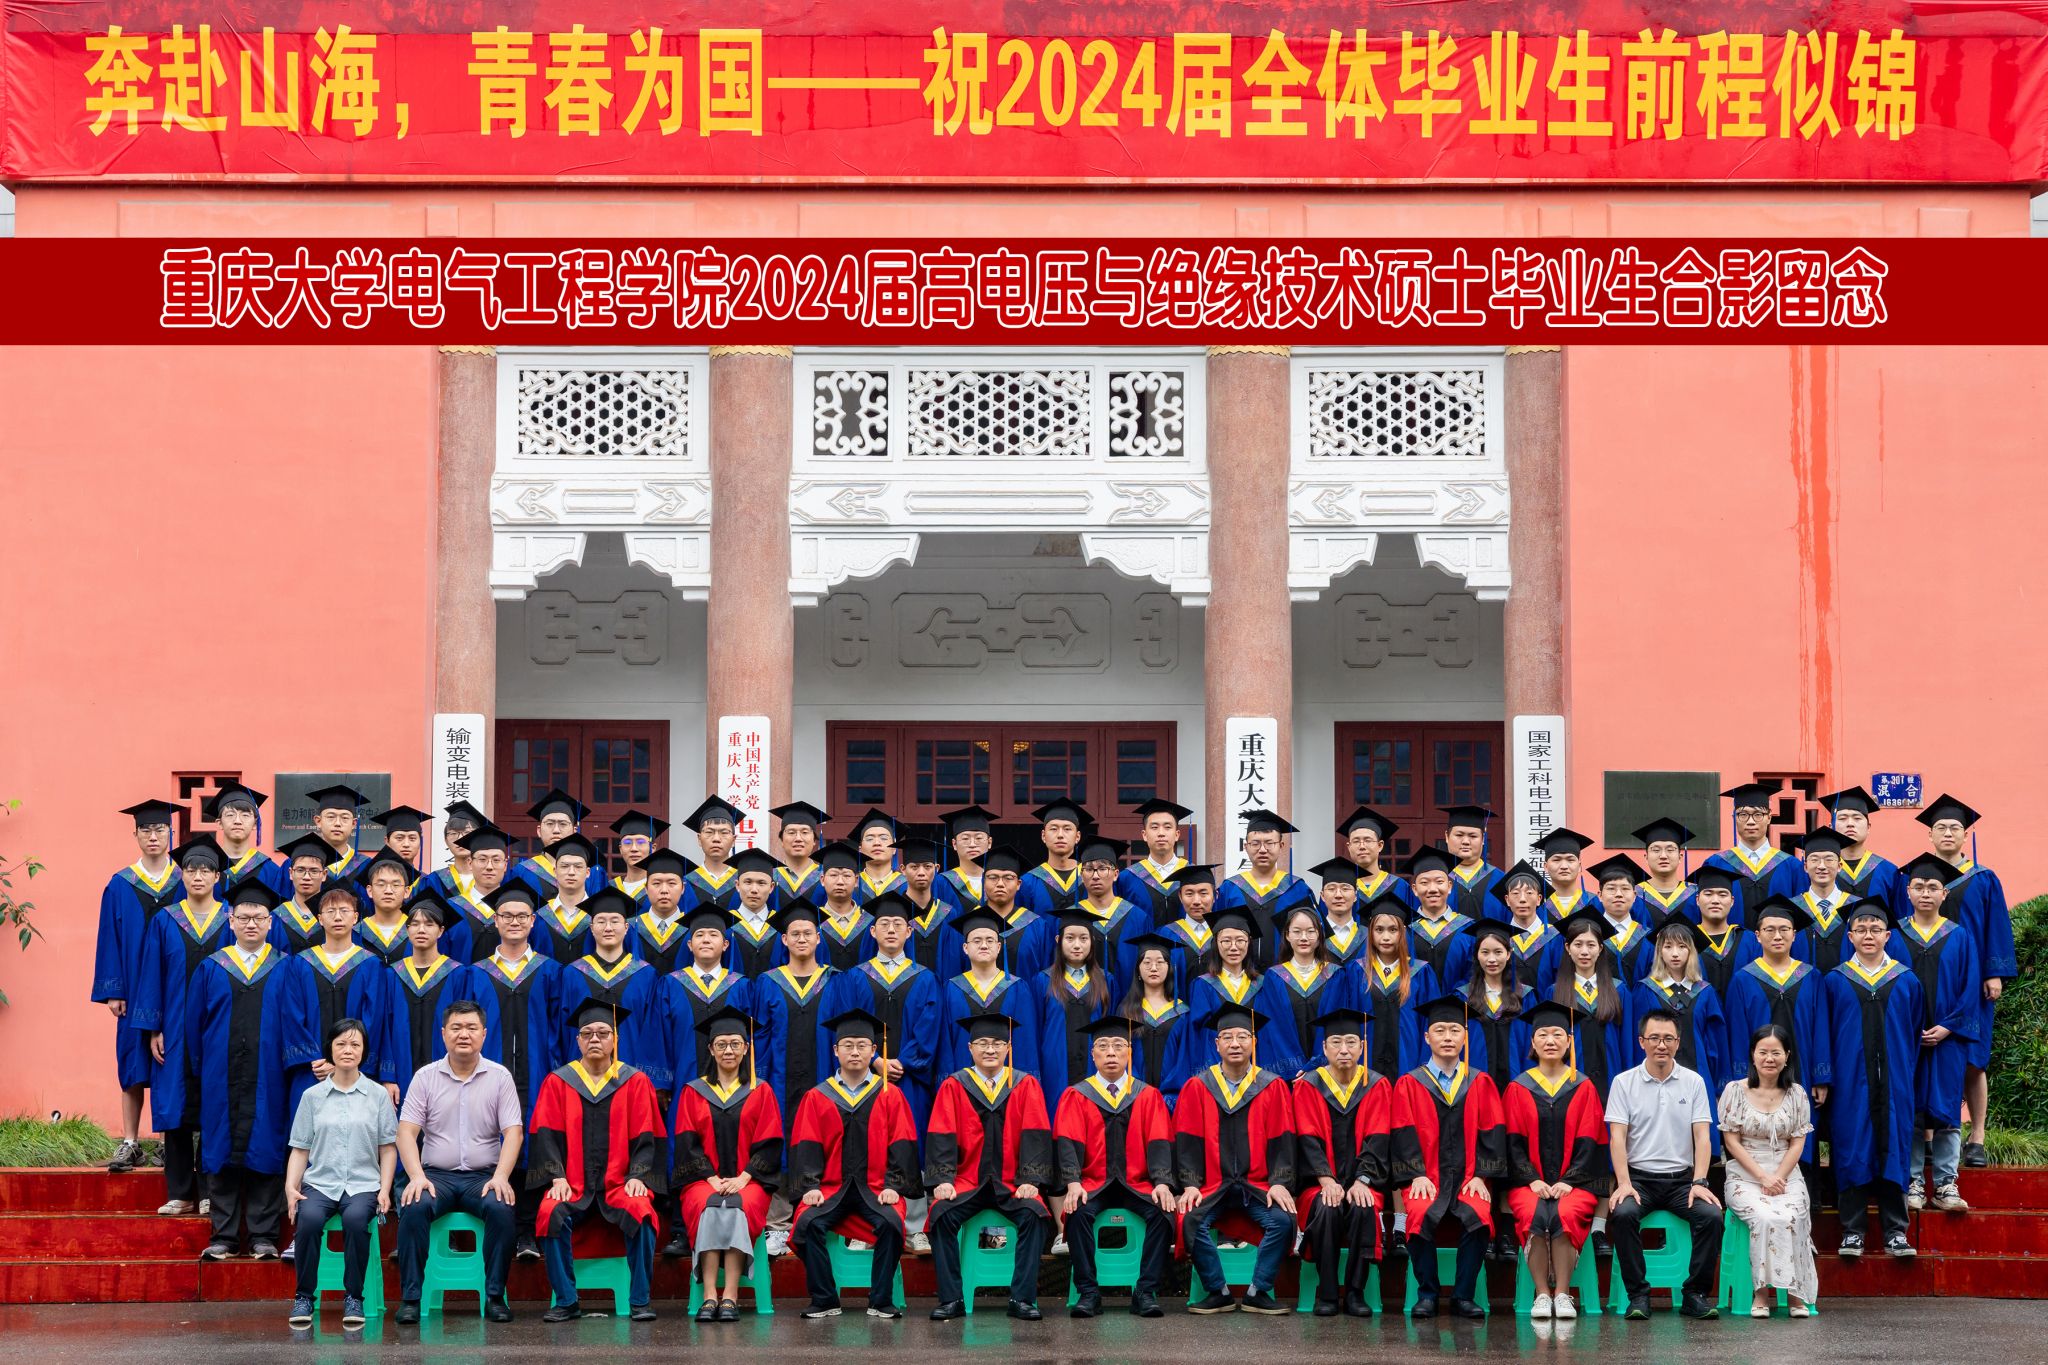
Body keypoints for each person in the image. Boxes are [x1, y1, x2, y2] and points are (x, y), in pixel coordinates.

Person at [530, 998, 668, 1323]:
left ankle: (640, 1301)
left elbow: (649, 1135)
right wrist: (556, 1176)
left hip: (619, 1185)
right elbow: (545, 1134)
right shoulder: (558, 1082)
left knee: (642, 1211)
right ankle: (566, 1301)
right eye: (587, 1033)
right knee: (549, 1211)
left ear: (615, 1039)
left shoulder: (635, 1082)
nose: (595, 1039)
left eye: (603, 1033)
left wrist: (638, 1176)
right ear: (577, 1040)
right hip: (573, 1185)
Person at [393, 999, 526, 1322]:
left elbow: (514, 1133)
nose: (463, 1034)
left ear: (484, 1034)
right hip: (435, 1176)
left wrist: (501, 1177)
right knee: (414, 1206)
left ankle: (494, 1296)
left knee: (501, 1208)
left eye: (471, 1028)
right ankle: (411, 1299)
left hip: (483, 1177)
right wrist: (416, 1176)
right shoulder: (425, 1077)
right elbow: (406, 1132)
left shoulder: (499, 1077)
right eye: (456, 1028)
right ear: (443, 1033)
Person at [789, 1007, 922, 1320]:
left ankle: (881, 1300)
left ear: (874, 1051)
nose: (854, 1052)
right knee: (806, 1225)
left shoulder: (890, 1095)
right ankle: (824, 1298)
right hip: (830, 1189)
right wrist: (810, 1186)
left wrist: (893, 1185)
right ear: (835, 1051)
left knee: (891, 1223)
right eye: (847, 1045)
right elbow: (806, 1144)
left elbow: (902, 1143)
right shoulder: (818, 1096)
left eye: (862, 1045)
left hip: (876, 1188)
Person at [189, 878, 295, 1260]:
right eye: (244, 917)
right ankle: (224, 1237)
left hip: (269, 1075)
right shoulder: (211, 967)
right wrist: (203, 1070)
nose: (252, 924)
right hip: (221, 1075)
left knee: (266, 1146)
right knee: (220, 1147)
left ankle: (264, 1236)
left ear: (270, 923)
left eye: (259, 918)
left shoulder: (285, 967)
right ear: (230, 921)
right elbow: (194, 1025)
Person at [925, 1013, 1055, 1322]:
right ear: (970, 1048)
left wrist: (1031, 1180)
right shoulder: (954, 1086)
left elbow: (1036, 1134)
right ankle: (952, 1299)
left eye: (997, 1043)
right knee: (940, 1215)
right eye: (982, 1043)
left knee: (1035, 1215)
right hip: (967, 1183)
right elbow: (942, 1134)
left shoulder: (1025, 1084)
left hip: (1011, 1184)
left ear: (1008, 1047)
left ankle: (1022, 1299)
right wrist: (943, 1179)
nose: (990, 1049)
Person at [1389, 994, 1508, 1319]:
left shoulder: (1480, 1082)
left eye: (1454, 1031)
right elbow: (1402, 1132)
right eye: (1439, 1031)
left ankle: (1463, 1296)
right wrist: (1416, 1174)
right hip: (1426, 1177)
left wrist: (1481, 1176)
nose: (1447, 1037)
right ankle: (1427, 1294)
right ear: (1427, 1037)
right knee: (1417, 1213)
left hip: (1469, 1177)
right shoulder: (1409, 1084)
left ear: (1465, 1037)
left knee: (1479, 1214)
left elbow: (1492, 1131)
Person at [130, 840, 232, 1217]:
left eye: (205, 870)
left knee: (213, 1106)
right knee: (174, 1105)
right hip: (173, 1028)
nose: (198, 876)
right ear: (182, 876)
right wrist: (153, 1028)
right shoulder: (165, 920)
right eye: (191, 870)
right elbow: (151, 976)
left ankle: (209, 1191)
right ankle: (180, 1191)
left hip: (217, 1028)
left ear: (217, 877)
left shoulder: (231, 920)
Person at [1174, 1004, 1298, 1315]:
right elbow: (1187, 1141)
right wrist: (1190, 1184)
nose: (1235, 1043)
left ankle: (1258, 1291)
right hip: (1213, 1186)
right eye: (1227, 1037)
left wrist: (1279, 1182)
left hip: (1256, 1186)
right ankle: (1218, 1291)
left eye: (1243, 1036)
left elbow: (1282, 1139)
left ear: (1254, 1042)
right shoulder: (1197, 1086)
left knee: (1283, 1221)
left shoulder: (1271, 1086)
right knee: (1189, 1219)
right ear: (1216, 1044)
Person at [1914, 793, 2015, 1168]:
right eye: (1940, 827)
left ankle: (1977, 1139)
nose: (1947, 832)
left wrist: (1994, 972)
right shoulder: (1918, 878)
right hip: (1927, 980)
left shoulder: (1983, 878)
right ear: (1930, 835)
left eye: (1954, 827)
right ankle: (1927, 1138)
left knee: (1974, 1058)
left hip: (1972, 983)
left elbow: (1996, 926)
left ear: (1965, 834)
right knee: (1926, 1054)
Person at [1604, 1006, 1723, 1319]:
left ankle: (1695, 1294)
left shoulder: (1693, 1082)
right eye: (1654, 1038)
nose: (1661, 1044)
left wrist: (1700, 1181)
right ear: (1641, 1041)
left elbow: (1703, 1137)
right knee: (1623, 1214)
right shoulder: (1624, 1083)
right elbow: (1617, 1138)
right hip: (1639, 1180)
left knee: (1711, 1217)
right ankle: (1638, 1296)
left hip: (1682, 1181)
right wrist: (1624, 1183)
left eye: (1668, 1038)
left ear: (1678, 1042)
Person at [1055, 1016, 1176, 1318]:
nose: (1111, 1052)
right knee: (1077, 1213)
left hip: (1137, 1183)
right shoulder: (1076, 1095)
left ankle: (1145, 1292)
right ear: (1093, 1054)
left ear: (1129, 1053)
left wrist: (1162, 1182)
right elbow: (1067, 1141)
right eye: (1103, 1046)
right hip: (1093, 1184)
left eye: (1119, 1045)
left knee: (1163, 1214)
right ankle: (1088, 1293)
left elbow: (1160, 1140)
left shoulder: (1147, 1095)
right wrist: (1072, 1182)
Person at [463, 886, 560, 1261]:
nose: (514, 922)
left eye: (522, 916)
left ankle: (527, 1232)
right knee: (489, 1139)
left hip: (537, 1075)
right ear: (496, 920)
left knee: (535, 1143)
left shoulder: (550, 971)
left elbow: (559, 1028)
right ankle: (490, 1228)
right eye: (507, 916)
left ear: (533, 922)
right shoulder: (476, 974)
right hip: (487, 1074)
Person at [1825, 897, 1925, 1258]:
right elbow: (1827, 1031)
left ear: (1887, 936)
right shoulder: (1835, 980)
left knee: (1894, 1146)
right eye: (1861, 929)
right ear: (1850, 936)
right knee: (1852, 1146)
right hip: (1851, 1082)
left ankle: (1895, 1232)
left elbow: (1913, 1031)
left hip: (1894, 1081)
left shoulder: (1906, 979)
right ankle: (1853, 1231)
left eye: (1876, 929)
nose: (1868, 935)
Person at [671, 1006, 784, 1322]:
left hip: (751, 1182)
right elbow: (686, 1143)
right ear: (710, 1049)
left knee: (734, 1206)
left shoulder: (761, 1091)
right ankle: (710, 1296)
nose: (729, 1050)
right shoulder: (694, 1092)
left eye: (735, 1043)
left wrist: (744, 1178)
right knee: (710, 1206)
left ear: (746, 1048)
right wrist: (711, 1178)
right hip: (702, 1181)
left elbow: (771, 1142)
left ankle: (730, 1296)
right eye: (721, 1044)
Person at [284, 1017, 397, 1328]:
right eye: (341, 1044)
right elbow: (300, 1149)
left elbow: (388, 1148)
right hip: (320, 1183)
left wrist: (385, 1189)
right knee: (308, 1221)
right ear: (330, 1050)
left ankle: (354, 1297)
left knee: (356, 1220)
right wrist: (291, 1187)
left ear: (364, 1051)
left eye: (355, 1044)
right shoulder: (312, 1097)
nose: (348, 1050)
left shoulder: (377, 1095)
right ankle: (304, 1297)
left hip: (363, 1184)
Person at [1502, 1001, 1610, 1319]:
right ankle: (1541, 1294)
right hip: (1529, 1183)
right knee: (1533, 1211)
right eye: (1543, 1035)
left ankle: (1562, 1294)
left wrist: (1569, 1180)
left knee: (1566, 1212)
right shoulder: (1518, 1088)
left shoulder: (1584, 1087)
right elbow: (1512, 1143)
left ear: (1569, 1041)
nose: (1550, 1041)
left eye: (1557, 1034)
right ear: (1533, 1043)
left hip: (1575, 1183)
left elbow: (1591, 1140)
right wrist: (1531, 1179)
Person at [95, 798, 181, 1176]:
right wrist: (114, 989)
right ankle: (131, 1141)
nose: (153, 836)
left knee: (169, 1061)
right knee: (132, 1061)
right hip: (132, 989)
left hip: (173, 990)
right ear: (135, 835)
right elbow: (109, 938)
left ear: (171, 833)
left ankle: (167, 1143)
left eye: (160, 829)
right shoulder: (120, 884)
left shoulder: (185, 880)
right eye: (146, 830)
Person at [1893, 852, 1982, 1214]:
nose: (1925, 893)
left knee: (1946, 1108)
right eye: (1919, 886)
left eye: (1933, 887)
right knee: (1911, 1106)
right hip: (1907, 1040)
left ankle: (1946, 1183)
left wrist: (1948, 1027)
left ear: (1944, 893)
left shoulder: (1959, 936)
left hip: (1948, 1039)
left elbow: (1970, 988)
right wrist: (1907, 1029)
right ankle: (1913, 1181)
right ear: (1908, 892)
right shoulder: (1895, 935)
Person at [1290, 1008, 1391, 1317]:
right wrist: (1326, 1179)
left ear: (1362, 1046)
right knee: (1326, 1206)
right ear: (1324, 1048)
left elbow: (1378, 1137)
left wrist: (1363, 1180)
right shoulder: (1308, 1086)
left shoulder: (1376, 1085)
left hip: (1363, 1180)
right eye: (1336, 1042)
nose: (1344, 1050)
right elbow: (1307, 1137)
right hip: (1318, 1183)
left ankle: (1356, 1292)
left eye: (1351, 1042)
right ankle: (1328, 1291)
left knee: (1363, 1206)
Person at [1722, 896, 1830, 1175]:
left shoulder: (1811, 977)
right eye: (1769, 930)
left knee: (1801, 1132)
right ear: (1758, 936)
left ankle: (1803, 1186)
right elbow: (1737, 1032)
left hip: (1802, 1069)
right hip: (1758, 1074)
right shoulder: (1743, 979)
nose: (1777, 936)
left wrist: (1821, 1076)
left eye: (1784, 929)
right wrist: (1741, 1078)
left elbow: (1820, 1027)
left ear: (1794, 934)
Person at [1720, 1024, 1819, 1318]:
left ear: (1787, 1056)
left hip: (1786, 1174)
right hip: (1745, 1175)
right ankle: (1760, 1293)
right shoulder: (1735, 1091)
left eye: (1776, 1052)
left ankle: (1795, 1295)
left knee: (1791, 1215)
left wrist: (1779, 1177)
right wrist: (1763, 1177)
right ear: (1753, 1054)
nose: (1769, 1058)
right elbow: (1731, 1142)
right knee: (1764, 1216)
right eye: (1763, 1052)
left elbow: (1797, 1143)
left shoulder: (1797, 1094)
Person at [283, 877, 394, 1123]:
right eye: (330, 911)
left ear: (355, 917)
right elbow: (292, 1015)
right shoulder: (300, 963)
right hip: (312, 1070)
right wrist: (317, 1059)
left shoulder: (370, 964)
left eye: (344, 911)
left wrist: (342, 1060)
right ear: (319, 919)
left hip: (355, 1070)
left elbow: (373, 1019)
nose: (337, 917)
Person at [554, 888, 671, 1097]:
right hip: (581, 1078)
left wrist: (654, 1083)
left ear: (626, 927)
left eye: (615, 921)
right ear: (592, 928)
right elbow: (563, 1029)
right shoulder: (573, 974)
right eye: (601, 921)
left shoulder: (645, 975)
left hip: (633, 1077)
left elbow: (653, 1030)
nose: (608, 928)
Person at [1631, 917, 1730, 1105]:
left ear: (1691, 951)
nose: (1675, 953)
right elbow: (1638, 1042)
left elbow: (1716, 1043)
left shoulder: (1705, 992)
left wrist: (1719, 1087)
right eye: (1668, 946)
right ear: (1659, 951)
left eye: (1682, 946)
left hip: (1698, 1077)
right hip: (1654, 1081)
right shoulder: (1646, 990)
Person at [383, 889, 471, 1102]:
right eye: (415, 924)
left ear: (441, 931)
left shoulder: (457, 974)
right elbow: (384, 1027)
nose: (421, 929)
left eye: (429, 924)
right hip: (400, 1076)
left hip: (449, 1076)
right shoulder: (392, 974)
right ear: (407, 930)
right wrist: (388, 1077)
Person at [937, 906, 1043, 1077]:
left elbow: (1026, 1043)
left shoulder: (1017, 988)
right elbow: (945, 1045)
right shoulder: (951, 988)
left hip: (1007, 1084)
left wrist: (1021, 1083)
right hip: (962, 1082)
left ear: (999, 947)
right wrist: (949, 1082)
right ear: (965, 948)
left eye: (990, 940)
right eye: (977, 941)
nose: (984, 945)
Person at [1258, 905, 1358, 1080]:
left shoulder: (1335, 976)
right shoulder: (1274, 977)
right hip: (1289, 1075)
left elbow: (1334, 1026)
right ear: (1287, 935)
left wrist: (1314, 1066)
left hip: (1326, 1073)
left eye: (1310, 931)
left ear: (1319, 936)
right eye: (1297, 931)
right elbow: (1275, 1029)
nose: (1303, 938)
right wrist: (1297, 1070)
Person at [1032, 909, 1118, 1103]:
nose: (1077, 945)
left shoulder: (1106, 981)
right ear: (1058, 940)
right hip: (1054, 1068)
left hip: (1095, 1067)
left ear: (1092, 941)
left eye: (1083, 938)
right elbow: (1036, 1029)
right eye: (1070, 938)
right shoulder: (1043, 981)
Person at [1186, 910, 1285, 1071]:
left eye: (1240, 940)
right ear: (1216, 944)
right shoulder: (1203, 985)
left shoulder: (1263, 984)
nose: (1233, 947)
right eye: (1226, 941)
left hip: (1257, 1067)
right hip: (1216, 1068)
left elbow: (1271, 1031)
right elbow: (1200, 1034)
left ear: (1249, 943)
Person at [1214, 810, 1314, 965]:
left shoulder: (1297, 889)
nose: (1262, 849)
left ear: (1281, 846)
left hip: (1285, 974)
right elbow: (1217, 933)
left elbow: (1314, 934)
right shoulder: (1230, 889)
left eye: (1269, 843)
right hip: (1240, 974)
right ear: (1246, 847)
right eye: (1255, 843)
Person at [1554, 911, 1635, 1097]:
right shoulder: (1555, 992)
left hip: (1613, 1080)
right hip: (1570, 1085)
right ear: (1567, 947)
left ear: (1600, 948)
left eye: (1591, 945)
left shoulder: (1619, 991)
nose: (1584, 951)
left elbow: (1627, 1043)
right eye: (1578, 944)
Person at [1359, 900, 1435, 1081]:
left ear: (1403, 932)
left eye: (1393, 930)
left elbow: (1430, 1023)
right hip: (1365, 1068)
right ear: (1370, 932)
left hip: (1409, 1064)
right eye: (1379, 930)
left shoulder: (1420, 972)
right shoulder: (1357, 972)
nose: (1386, 937)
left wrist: (1425, 1067)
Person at [1457, 918, 1535, 1095]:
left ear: (1509, 954)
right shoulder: (1463, 997)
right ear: (1476, 955)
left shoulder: (1525, 996)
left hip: (1518, 1084)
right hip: (1475, 1087)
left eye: (1498, 952)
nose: (1491, 959)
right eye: (1485, 952)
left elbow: (1531, 1044)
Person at [1705, 783, 1801, 924]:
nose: (1750, 822)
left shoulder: (1792, 866)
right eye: (1743, 814)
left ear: (1769, 817)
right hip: (1732, 939)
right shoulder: (1716, 864)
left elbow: (1801, 917)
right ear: (1734, 817)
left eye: (1758, 814)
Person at [1072, 834, 1151, 995]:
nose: (1095, 876)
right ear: (1081, 875)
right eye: (1089, 869)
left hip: (1129, 1003)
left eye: (1102, 869)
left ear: (1115, 874)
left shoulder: (1137, 918)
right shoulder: (1072, 917)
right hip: (1084, 1004)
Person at [1117, 934, 1192, 1103]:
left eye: (1160, 962)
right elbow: (1122, 1056)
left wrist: (1169, 1097)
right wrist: (1138, 1092)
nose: (1153, 968)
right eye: (1147, 962)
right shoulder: (1126, 1011)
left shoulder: (1182, 1012)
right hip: (1134, 1098)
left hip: (1172, 1100)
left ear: (1169, 968)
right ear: (1138, 969)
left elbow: (1183, 1059)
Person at [511, 787, 612, 899]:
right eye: (550, 824)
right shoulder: (522, 872)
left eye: (563, 824)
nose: (556, 830)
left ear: (575, 831)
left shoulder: (593, 873)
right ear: (539, 831)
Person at [1815, 786, 1902, 910]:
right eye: (1842, 818)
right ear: (1831, 827)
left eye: (1857, 818)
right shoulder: (1817, 870)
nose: (1850, 824)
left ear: (1868, 827)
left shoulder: (1888, 871)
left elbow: (1900, 918)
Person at [1116, 798, 1195, 927]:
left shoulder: (1193, 874)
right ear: (1144, 835)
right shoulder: (1127, 879)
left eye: (1167, 827)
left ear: (1177, 834)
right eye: (1154, 827)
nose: (1161, 833)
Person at [1405, 846, 1475, 987]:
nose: (1432, 889)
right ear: (1415, 889)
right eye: (1424, 883)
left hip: (1458, 1001)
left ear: (1449, 887)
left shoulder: (1468, 929)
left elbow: (1473, 976)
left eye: (1439, 881)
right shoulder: (1405, 929)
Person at [1494, 861, 1563, 1000]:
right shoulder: (1500, 938)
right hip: (1507, 1010)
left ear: (1539, 899)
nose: (1522, 899)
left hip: (1546, 1010)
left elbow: (1561, 980)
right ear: (1507, 900)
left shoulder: (1554, 937)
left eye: (1529, 893)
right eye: (1515, 893)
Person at [1790, 828, 1853, 974]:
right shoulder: (1792, 908)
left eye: (1829, 859)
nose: (1822, 866)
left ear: (1840, 866)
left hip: (1846, 984)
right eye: (1814, 860)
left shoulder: (1855, 906)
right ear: (1805, 867)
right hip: (1803, 984)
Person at [1690, 864, 1759, 997]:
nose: (1715, 900)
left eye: (1722, 895)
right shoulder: (1686, 940)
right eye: (1708, 894)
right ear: (1697, 900)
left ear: (1732, 901)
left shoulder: (1750, 940)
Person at [213, 781, 288, 900]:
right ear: (219, 823)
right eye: (230, 815)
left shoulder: (271, 871)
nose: (237, 821)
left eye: (245, 815)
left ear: (255, 824)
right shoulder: (205, 867)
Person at [628, 847, 696, 977]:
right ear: (646, 888)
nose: (664, 890)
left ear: (683, 888)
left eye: (671, 883)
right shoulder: (630, 928)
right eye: (656, 883)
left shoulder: (693, 928)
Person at [532, 834, 599, 965]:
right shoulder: (540, 916)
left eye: (578, 866)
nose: (571, 872)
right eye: (564, 866)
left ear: (588, 872)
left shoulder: (598, 915)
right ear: (555, 871)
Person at [724, 847, 789, 978]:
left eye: (761, 883)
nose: (754, 889)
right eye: (748, 882)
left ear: (771, 887)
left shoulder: (781, 925)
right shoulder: (725, 924)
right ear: (737, 885)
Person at [1340, 806, 1419, 914]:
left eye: (1368, 840)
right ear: (1349, 847)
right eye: (1356, 841)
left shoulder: (1400, 886)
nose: (1362, 846)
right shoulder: (1338, 888)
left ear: (1380, 845)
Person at [1018, 800, 1091, 917]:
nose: (1060, 835)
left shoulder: (1092, 878)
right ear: (1043, 836)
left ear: (1077, 836)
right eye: (1053, 829)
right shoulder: (1028, 882)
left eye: (1067, 829)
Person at [897, 838, 958, 977]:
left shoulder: (948, 914)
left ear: (937, 869)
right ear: (903, 870)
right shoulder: (894, 913)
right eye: (914, 867)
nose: (921, 872)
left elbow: (954, 962)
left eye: (927, 866)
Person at [1587, 854, 1654, 979]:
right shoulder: (1589, 934)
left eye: (1625, 888)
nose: (1618, 894)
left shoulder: (1647, 937)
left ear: (1634, 896)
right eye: (1611, 888)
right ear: (1600, 896)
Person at [1155, 863, 1219, 991]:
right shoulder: (1166, 934)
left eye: (1203, 893)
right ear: (1180, 896)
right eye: (1189, 894)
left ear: (1215, 896)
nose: (1196, 901)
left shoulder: (1224, 933)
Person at [815, 841, 877, 970]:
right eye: (833, 875)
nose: (840, 882)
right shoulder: (814, 920)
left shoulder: (870, 921)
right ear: (822, 880)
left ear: (856, 880)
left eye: (846, 875)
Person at [679, 796, 746, 913]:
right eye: (709, 832)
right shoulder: (685, 882)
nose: (716, 839)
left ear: (734, 840)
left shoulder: (745, 880)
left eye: (724, 832)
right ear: (699, 839)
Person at [270, 834, 334, 956]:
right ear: (290, 873)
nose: (306, 877)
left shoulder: (334, 916)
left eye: (314, 871)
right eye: (300, 870)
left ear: (324, 874)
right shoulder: (275, 917)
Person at [354, 844, 417, 965]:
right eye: (381, 884)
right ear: (369, 891)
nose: (388, 891)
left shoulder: (417, 930)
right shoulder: (356, 932)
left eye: (395, 885)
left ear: (407, 891)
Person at [1632, 817, 1702, 925]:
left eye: (1670, 850)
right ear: (1646, 857)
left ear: (1680, 856)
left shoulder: (1696, 894)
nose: (1663, 856)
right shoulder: (1634, 894)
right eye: (1656, 850)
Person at [1440, 805, 1505, 919]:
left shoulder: (1501, 880)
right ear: (1446, 836)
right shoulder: (1434, 878)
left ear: (1483, 839)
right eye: (1459, 835)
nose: (1466, 841)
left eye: (1473, 836)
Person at [1309, 856, 1372, 968]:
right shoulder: (1313, 936)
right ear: (1322, 896)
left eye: (1345, 888)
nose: (1338, 895)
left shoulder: (1369, 936)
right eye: (1331, 889)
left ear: (1355, 896)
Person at [933, 803, 995, 917]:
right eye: (965, 838)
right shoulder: (941, 883)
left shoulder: (1001, 882)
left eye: (978, 838)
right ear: (954, 844)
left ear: (989, 842)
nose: (972, 844)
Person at [767, 801, 830, 910]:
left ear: (814, 840)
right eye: (791, 832)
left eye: (805, 832)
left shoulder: (827, 876)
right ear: (782, 840)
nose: (798, 838)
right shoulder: (769, 876)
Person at [307, 784, 373, 882]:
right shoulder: (300, 863)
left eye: (345, 818)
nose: (337, 823)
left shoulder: (366, 866)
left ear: (354, 823)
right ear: (318, 821)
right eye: (331, 817)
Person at [609, 809, 670, 908]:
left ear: (653, 848)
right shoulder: (609, 888)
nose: (634, 848)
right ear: (620, 849)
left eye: (641, 842)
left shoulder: (664, 890)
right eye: (627, 843)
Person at [1535, 827, 1598, 922]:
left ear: (1579, 866)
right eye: (1556, 860)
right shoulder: (1537, 903)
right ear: (1546, 866)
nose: (1564, 866)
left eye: (1570, 860)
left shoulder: (1593, 902)